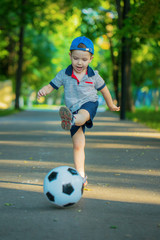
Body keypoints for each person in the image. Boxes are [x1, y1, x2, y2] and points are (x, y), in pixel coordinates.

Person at [37, 36, 120, 186]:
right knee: (78, 145)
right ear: (70, 56)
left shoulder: (94, 76)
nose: (79, 62)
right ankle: (81, 176)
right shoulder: (64, 74)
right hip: (72, 110)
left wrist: (110, 105)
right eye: (76, 58)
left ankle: (72, 120)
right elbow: (51, 86)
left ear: (91, 59)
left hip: (89, 104)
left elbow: (105, 90)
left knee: (83, 114)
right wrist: (43, 91)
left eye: (84, 59)